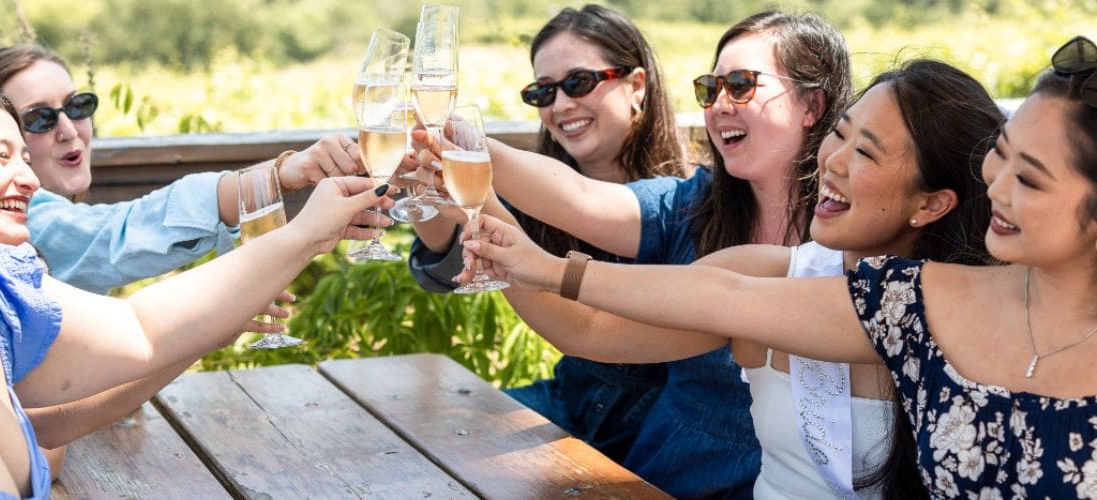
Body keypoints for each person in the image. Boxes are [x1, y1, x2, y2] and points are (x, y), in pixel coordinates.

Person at [463, 36, 1097, 497]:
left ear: (932, 202)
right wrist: (481, 195)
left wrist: (536, 259)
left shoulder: (945, 302)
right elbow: (644, 311)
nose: (833, 159)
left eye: (866, 151)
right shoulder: (879, 293)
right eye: (841, 136)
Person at [0, 59, 392, 497]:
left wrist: (307, 236)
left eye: (78, 106)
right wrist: (291, 203)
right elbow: (121, 234)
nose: (25, 178)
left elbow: (141, 330)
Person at [416, 10, 853, 496]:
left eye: (741, 84)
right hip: (665, 467)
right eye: (710, 89)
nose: (719, 105)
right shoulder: (692, 203)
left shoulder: (856, 244)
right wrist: (464, 148)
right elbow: (580, 199)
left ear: (812, 104)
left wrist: (514, 240)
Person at [406, 4, 689, 463]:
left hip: (654, 430)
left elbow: (603, 334)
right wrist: (426, 185)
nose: (560, 106)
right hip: (569, 401)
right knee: (414, 445)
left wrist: (475, 178)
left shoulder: (688, 202)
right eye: (543, 92)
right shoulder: (536, 189)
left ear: (637, 85)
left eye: (579, 83)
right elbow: (441, 265)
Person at [0, 45, 365, 294]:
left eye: (77, 106)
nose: (69, 129)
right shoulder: (21, 222)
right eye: (39, 119)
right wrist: (283, 175)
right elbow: (117, 235)